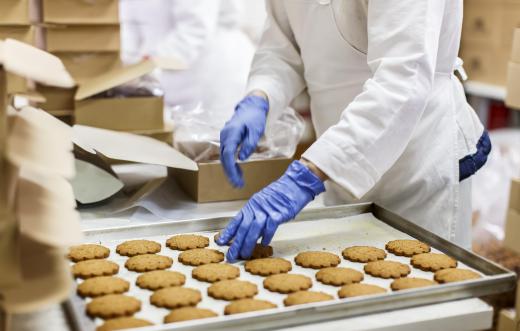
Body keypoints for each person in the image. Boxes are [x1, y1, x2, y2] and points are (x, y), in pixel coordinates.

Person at [216, 0, 491, 262]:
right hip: (338, 163)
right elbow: (283, 48)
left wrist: (308, 175)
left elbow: (403, 81)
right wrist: (261, 96)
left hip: (415, 169)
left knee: (420, 297)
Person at [119, 0, 255, 111]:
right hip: (169, 79)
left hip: (213, 74)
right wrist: (125, 63)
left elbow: (195, 29)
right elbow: (129, 26)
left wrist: (144, 65)